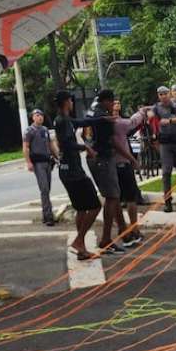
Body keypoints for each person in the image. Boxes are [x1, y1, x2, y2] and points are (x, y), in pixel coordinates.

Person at [52, 91, 102, 259]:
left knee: (81, 208)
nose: (72, 103)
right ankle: (79, 241)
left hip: (67, 172)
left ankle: (81, 249)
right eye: (71, 101)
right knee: (95, 206)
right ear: (67, 102)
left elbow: (82, 121)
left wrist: (100, 119)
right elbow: (67, 144)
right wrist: (85, 148)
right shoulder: (63, 120)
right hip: (74, 173)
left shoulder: (62, 119)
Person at [85, 89, 125, 254]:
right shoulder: (104, 117)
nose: (113, 106)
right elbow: (113, 141)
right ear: (107, 101)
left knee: (112, 196)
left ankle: (119, 232)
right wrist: (130, 157)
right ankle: (105, 239)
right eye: (112, 102)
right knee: (112, 197)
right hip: (102, 158)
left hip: (95, 158)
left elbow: (84, 134)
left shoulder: (92, 111)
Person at [112, 99, 147, 247]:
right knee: (129, 198)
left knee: (117, 199)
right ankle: (131, 229)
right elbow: (133, 122)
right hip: (122, 163)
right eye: (113, 103)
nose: (117, 105)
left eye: (119, 103)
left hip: (110, 165)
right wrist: (142, 111)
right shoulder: (116, 123)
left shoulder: (101, 122)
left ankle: (126, 229)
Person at [23, 109, 60, 226]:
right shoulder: (29, 131)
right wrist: (28, 162)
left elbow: (50, 145)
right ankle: (49, 217)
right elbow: (26, 147)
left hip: (47, 162)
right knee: (44, 189)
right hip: (38, 163)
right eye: (37, 115)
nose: (40, 117)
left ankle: (46, 214)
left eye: (41, 115)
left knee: (47, 189)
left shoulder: (44, 130)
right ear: (33, 117)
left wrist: (57, 157)